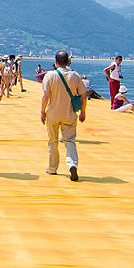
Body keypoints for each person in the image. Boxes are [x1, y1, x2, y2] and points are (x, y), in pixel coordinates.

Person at [41, 50, 87, 181]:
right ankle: (72, 164)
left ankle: (52, 168)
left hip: (53, 113)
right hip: (69, 114)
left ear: (55, 62)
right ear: (68, 62)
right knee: (70, 141)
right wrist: (83, 111)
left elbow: (45, 96)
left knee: (53, 141)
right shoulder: (75, 75)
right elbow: (83, 95)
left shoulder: (50, 76)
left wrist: (42, 112)